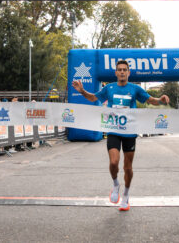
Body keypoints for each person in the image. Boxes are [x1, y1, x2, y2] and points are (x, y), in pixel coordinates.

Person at [72, 60, 170, 211]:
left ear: (129, 73)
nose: (122, 72)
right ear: (116, 73)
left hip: (130, 132)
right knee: (113, 162)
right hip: (113, 130)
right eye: (120, 70)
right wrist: (82, 91)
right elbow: (93, 98)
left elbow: (151, 100)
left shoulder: (135, 89)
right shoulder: (109, 88)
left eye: (125, 69)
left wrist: (161, 100)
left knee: (128, 167)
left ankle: (126, 195)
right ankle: (116, 184)